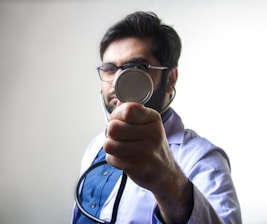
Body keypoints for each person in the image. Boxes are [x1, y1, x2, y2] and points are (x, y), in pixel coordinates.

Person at [72, 11, 242, 224]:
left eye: (136, 68)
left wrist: (169, 183)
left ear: (170, 78)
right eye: (109, 69)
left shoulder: (204, 160)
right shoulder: (96, 146)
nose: (117, 83)